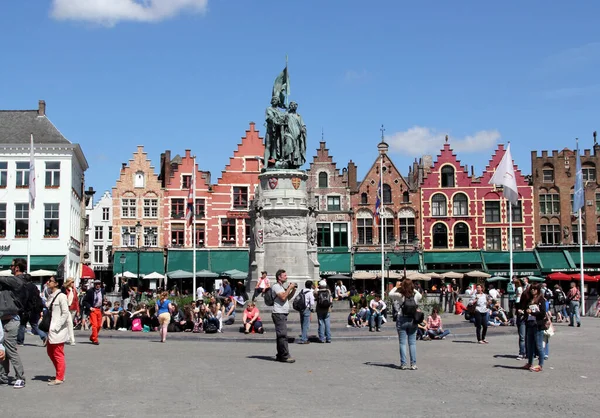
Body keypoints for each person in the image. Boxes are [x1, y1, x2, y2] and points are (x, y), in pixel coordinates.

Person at [0, 258, 27, 388]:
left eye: (12, 265)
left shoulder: (18, 280)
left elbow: (5, 280)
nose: (10, 267)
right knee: (3, 350)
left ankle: (20, 377)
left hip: (12, 320)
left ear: (17, 267)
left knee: (10, 350)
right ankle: (3, 375)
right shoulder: (12, 281)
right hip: (5, 319)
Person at [389, 279, 422, 370]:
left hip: (402, 319)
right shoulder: (415, 296)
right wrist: (413, 288)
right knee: (412, 343)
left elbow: (390, 294)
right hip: (412, 320)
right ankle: (413, 364)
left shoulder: (400, 296)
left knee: (402, 343)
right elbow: (420, 295)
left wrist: (397, 286)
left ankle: (403, 364)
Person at [45, 277, 69, 385]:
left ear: (56, 283)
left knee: (58, 353)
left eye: (50, 281)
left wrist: (57, 327)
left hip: (57, 329)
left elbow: (65, 313)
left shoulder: (62, 296)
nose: (48, 282)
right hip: (50, 328)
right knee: (50, 352)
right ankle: (59, 373)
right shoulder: (51, 295)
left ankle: (59, 377)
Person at [271, 269, 296, 363]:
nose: (286, 277)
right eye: (284, 275)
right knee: (283, 335)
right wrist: (289, 288)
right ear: (279, 277)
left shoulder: (281, 287)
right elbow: (283, 297)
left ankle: (280, 355)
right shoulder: (276, 286)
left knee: (280, 335)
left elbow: (287, 298)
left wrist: (293, 290)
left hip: (282, 313)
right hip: (278, 313)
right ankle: (285, 356)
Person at [16, 272, 47, 347]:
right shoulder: (34, 287)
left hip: (26, 309)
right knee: (34, 324)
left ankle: (20, 341)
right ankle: (44, 336)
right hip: (35, 309)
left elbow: (23, 298)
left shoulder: (24, 287)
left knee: (22, 325)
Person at [523, 284, 547, 372]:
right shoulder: (530, 299)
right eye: (531, 289)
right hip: (530, 323)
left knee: (539, 345)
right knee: (530, 345)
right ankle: (529, 362)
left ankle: (540, 365)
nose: (532, 291)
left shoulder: (541, 300)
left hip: (538, 324)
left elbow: (543, 313)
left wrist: (532, 312)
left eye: (534, 289)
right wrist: (524, 312)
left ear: (538, 290)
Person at [83, 279, 105, 345]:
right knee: (94, 325)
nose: (98, 285)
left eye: (99, 284)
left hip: (99, 309)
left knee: (99, 326)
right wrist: (90, 307)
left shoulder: (102, 291)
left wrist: (104, 302)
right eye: (96, 284)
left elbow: (102, 299)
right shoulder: (90, 291)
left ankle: (92, 337)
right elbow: (84, 301)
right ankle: (95, 340)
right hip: (93, 309)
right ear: (94, 285)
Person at [64, 278, 79, 345]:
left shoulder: (74, 290)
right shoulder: (65, 290)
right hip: (67, 308)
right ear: (69, 283)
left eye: (73, 282)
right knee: (70, 323)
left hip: (73, 308)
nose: (73, 283)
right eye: (72, 282)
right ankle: (72, 340)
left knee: (68, 323)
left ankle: (66, 337)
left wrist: (78, 310)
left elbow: (76, 300)